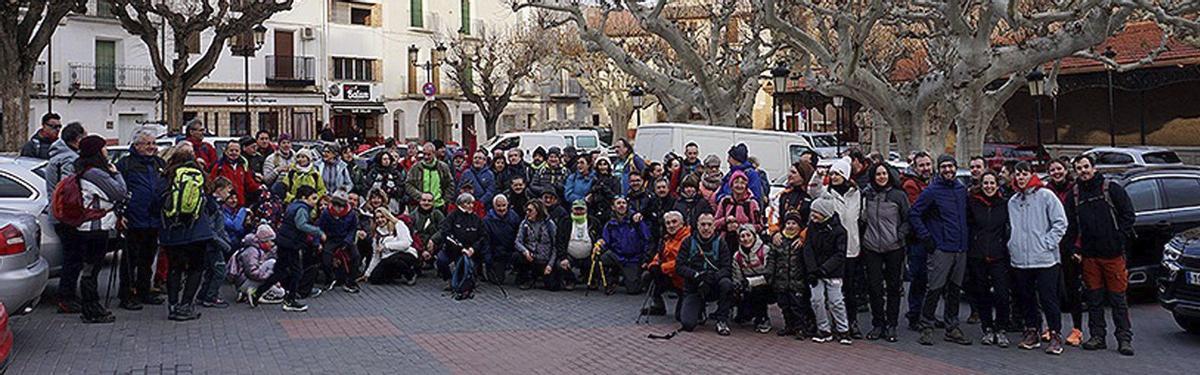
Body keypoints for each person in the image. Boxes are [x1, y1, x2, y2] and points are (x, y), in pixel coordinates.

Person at [1065, 155, 1136, 356]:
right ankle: (1097, 336)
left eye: (1086, 166)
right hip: (1089, 256)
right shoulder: (1075, 195)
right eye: (1079, 168)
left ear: (1094, 168)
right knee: (1094, 300)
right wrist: (1074, 249)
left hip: (1113, 255)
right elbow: (1070, 226)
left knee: (1118, 300)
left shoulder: (1111, 189)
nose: (1083, 171)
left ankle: (1124, 338)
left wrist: (1118, 238)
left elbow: (1128, 215)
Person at [1005, 161, 1069, 355]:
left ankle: (1055, 334)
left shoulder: (1046, 196)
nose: (1021, 177)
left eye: (1025, 173)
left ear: (1032, 175)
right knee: (1026, 298)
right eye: (1018, 174)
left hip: (1045, 259)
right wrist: (1012, 245)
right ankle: (1032, 331)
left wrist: (1047, 243)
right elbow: (1010, 228)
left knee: (1048, 298)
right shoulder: (1013, 201)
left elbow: (1060, 223)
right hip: (1020, 260)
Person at [911, 154, 972, 346]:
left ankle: (952, 326)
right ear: (939, 169)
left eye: (951, 166)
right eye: (944, 167)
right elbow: (914, 214)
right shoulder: (932, 191)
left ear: (956, 168)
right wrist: (926, 237)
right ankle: (927, 325)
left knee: (954, 290)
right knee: (935, 289)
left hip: (960, 248)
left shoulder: (961, 190)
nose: (948, 170)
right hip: (941, 248)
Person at [72, 135, 129, 323]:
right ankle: (92, 309)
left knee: (90, 268)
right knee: (91, 269)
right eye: (103, 148)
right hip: (95, 226)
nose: (106, 151)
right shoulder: (95, 173)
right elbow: (120, 192)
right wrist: (115, 173)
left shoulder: (82, 170)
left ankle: (92, 306)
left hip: (86, 226)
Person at [807, 157, 865, 339]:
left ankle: (850, 323)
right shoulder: (826, 193)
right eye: (832, 173)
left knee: (849, 289)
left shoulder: (857, 194)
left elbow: (862, 218)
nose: (834, 176)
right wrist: (819, 174)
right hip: (832, 249)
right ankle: (829, 324)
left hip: (852, 248)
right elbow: (812, 189)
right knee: (831, 291)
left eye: (838, 173)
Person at [158, 144, 216, 320]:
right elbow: (212, 206)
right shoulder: (200, 177)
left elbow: (155, 202)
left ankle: (173, 304)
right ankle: (186, 305)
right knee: (195, 269)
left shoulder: (166, 178)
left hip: (172, 232)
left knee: (174, 268)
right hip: (198, 231)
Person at [116, 129, 166, 311]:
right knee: (130, 259)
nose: (152, 147)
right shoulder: (126, 164)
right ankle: (127, 294)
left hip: (154, 219)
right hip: (134, 219)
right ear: (137, 145)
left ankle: (144, 290)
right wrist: (119, 215)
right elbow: (118, 191)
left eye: (154, 143)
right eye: (148, 144)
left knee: (147, 257)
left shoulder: (159, 163)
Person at [860, 162, 910, 342]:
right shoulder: (867, 195)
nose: (881, 177)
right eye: (878, 174)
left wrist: (900, 235)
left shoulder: (899, 196)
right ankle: (878, 323)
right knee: (874, 288)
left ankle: (891, 325)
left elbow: (907, 219)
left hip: (894, 247)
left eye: (884, 173)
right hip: (871, 246)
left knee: (893, 288)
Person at [967, 172, 1012, 348]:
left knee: (1002, 293)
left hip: (999, 255)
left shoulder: (1004, 204)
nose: (989, 186)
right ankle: (987, 328)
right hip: (978, 255)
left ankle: (1001, 328)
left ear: (997, 184)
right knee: (982, 293)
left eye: (992, 183)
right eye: (986, 183)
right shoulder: (973, 203)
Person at [46, 121, 86, 313]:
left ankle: (68, 295)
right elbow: (69, 190)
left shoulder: (58, 156)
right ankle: (66, 297)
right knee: (73, 257)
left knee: (72, 256)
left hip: (58, 214)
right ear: (77, 140)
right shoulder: (69, 160)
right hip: (66, 216)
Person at [1044, 158, 1085, 345]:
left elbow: (1080, 222)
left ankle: (1077, 329)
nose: (1056, 172)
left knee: (1072, 290)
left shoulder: (1075, 190)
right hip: (1051, 249)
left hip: (1070, 249)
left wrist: (1077, 246)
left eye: (1059, 169)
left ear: (1065, 170)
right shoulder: (1045, 191)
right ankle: (1052, 327)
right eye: (1052, 170)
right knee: (1050, 290)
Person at [675, 213, 734, 335]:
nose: (706, 228)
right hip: (694, 286)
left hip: (714, 285)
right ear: (697, 225)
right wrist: (696, 275)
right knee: (688, 324)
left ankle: (722, 320)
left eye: (709, 225)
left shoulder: (721, 243)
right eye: (703, 224)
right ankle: (699, 309)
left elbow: (727, 268)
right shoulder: (687, 242)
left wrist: (713, 277)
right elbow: (679, 267)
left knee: (726, 284)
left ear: (714, 227)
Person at [804, 198, 850, 345]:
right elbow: (808, 248)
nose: (813, 216)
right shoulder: (812, 227)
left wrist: (824, 269)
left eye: (816, 213)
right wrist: (812, 269)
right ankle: (823, 328)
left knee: (836, 301)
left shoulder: (839, 231)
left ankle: (843, 329)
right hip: (815, 272)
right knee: (816, 300)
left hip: (833, 272)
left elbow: (839, 254)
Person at [274, 185, 325, 312]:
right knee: (296, 271)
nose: (315, 202)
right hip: (291, 243)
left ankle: (259, 293)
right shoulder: (302, 209)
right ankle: (290, 299)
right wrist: (318, 232)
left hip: (285, 241)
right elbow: (301, 225)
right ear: (304, 198)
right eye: (313, 198)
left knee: (285, 269)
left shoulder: (293, 205)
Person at [768, 214, 816, 339]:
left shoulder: (801, 242)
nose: (790, 226)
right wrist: (770, 274)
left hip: (797, 281)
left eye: (794, 223)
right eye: (788, 223)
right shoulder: (779, 240)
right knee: (784, 305)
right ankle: (789, 325)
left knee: (798, 306)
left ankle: (800, 327)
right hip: (781, 280)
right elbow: (772, 258)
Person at [902, 151, 934, 330]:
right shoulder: (911, 184)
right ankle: (915, 315)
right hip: (917, 238)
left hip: (932, 236)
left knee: (931, 279)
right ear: (915, 167)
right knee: (919, 278)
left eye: (928, 164)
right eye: (922, 165)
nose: (926, 168)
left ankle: (926, 313)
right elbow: (917, 211)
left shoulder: (932, 181)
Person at [597, 197, 651, 294]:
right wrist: (599, 245)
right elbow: (606, 242)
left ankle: (642, 276)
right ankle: (611, 280)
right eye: (618, 203)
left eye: (624, 203)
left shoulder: (636, 221)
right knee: (601, 258)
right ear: (613, 207)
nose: (621, 205)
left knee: (633, 290)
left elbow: (647, 239)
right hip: (617, 256)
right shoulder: (609, 224)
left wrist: (646, 259)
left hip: (633, 258)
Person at [433, 193, 485, 293]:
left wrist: (473, 249)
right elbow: (446, 234)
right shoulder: (452, 217)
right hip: (452, 250)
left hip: (470, 251)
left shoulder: (476, 219)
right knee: (441, 260)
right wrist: (460, 248)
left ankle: (469, 279)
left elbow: (482, 236)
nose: (471, 206)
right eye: (468, 203)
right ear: (461, 204)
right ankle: (448, 279)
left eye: (472, 203)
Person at [644, 212, 691, 317]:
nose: (671, 225)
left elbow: (683, 262)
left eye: (674, 222)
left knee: (681, 317)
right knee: (647, 276)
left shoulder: (689, 239)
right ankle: (659, 306)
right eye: (668, 223)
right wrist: (653, 265)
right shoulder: (667, 238)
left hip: (685, 281)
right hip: (671, 277)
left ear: (682, 223)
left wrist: (661, 268)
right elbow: (659, 256)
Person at [198, 177, 235, 309]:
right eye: (227, 191)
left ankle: (203, 295)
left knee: (210, 271)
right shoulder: (212, 204)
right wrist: (224, 244)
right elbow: (212, 228)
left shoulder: (214, 203)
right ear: (219, 190)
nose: (229, 194)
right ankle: (210, 297)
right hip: (213, 244)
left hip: (213, 242)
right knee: (220, 270)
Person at [514, 200, 566, 290]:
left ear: (538, 211)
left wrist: (550, 265)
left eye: (530, 210)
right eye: (526, 210)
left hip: (545, 259)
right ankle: (527, 277)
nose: (527, 213)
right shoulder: (524, 223)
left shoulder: (550, 225)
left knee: (553, 287)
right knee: (517, 256)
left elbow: (555, 246)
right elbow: (518, 242)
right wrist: (525, 251)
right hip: (531, 258)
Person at [732, 225, 773, 334]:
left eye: (748, 235)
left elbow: (770, 275)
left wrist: (750, 282)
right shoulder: (737, 256)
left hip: (767, 286)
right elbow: (737, 276)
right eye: (742, 236)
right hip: (747, 287)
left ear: (754, 236)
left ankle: (763, 319)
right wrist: (738, 288)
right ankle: (745, 312)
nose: (746, 239)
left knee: (759, 290)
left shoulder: (765, 251)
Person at [318, 192, 362, 293]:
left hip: (345, 238)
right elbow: (319, 228)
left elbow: (353, 229)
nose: (338, 209)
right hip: (331, 238)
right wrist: (318, 242)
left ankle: (351, 281)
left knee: (356, 256)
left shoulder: (351, 214)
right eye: (336, 206)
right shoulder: (326, 213)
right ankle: (330, 278)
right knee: (326, 257)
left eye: (341, 206)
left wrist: (347, 241)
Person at [232, 225, 286, 306]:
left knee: (281, 291)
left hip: (245, 281)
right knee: (272, 263)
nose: (272, 244)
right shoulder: (252, 251)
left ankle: (246, 293)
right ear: (263, 241)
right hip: (244, 282)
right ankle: (255, 293)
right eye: (270, 241)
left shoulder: (258, 249)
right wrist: (269, 276)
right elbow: (252, 273)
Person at [364, 208, 419, 285]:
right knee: (374, 279)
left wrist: (387, 246)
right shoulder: (376, 234)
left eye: (382, 217)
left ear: (387, 216)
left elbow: (406, 243)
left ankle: (410, 275)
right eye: (377, 218)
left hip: (405, 254)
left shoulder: (398, 224)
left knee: (392, 260)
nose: (380, 220)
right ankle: (393, 275)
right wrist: (368, 273)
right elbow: (376, 255)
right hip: (387, 259)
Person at [714, 171, 764, 247]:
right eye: (736, 182)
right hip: (726, 242)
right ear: (731, 186)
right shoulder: (725, 201)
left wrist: (740, 228)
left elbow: (759, 226)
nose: (739, 186)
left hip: (746, 243)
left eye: (742, 183)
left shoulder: (751, 203)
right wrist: (726, 220)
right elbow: (715, 223)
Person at [481, 195, 522, 284]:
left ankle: (521, 274)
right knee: (497, 280)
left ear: (507, 204)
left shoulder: (514, 217)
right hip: (496, 253)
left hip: (511, 250)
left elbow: (519, 235)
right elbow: (486, 241)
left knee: (521, 257)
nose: (501, 209)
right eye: (498, 206)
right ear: (494, 206)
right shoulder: (487, 220)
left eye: (504, 205)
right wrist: (488, 258)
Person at [209, 141, 262, 206]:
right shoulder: (219, 167)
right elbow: (211, 184)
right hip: (224, 205)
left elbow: (249, 183)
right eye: (231, 150)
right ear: (226, 151)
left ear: (240, 152)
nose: (234, 153)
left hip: (240, 203)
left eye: (236, 151)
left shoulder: (242, 166)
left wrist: (260, 187)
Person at [406, 143, 455, 210]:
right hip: (420, 206)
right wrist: (420, 196)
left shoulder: (443, 167)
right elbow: (408, 184)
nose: (426, 157)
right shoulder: (415, 168)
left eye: (429, 154)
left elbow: (450, 184)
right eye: (424, 154)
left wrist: (445, 200)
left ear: (434, 153)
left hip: (439, 205)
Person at [778, 162, 815, 231]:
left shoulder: (811, 196)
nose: (789, 175)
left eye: (793, 172)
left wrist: (804, 235)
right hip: (784, 236)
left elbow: (815, 220)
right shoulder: (784, 194)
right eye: (789, 172)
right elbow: (775, 216)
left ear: (803, 176)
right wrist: (775, 233)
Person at [411, 193, 444, 263]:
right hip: (418, 246)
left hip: (436, 246)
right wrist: (422, 250)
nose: (426, 203)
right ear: (419, 201)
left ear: (433, 202)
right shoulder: (413, 215)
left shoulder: (438, 214)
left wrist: (433, 240)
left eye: (429, 201)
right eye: (424, 200)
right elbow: (411, 233)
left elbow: (443, 229)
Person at [588, 158, 619, 224]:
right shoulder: (594, 180)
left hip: (609, 209)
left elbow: (615, 195)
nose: (602, 167)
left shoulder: (614, 179)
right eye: (600, 165)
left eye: (605, 164)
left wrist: (604, 188)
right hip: (596, 209)